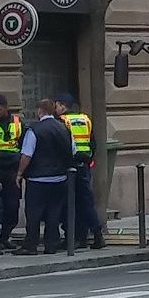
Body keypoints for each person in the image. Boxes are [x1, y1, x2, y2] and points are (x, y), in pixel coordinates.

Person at [16, 98, 73, 254]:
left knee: (34, 213)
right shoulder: (64, 128)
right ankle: (51, 245)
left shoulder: (34, 130)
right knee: (53, 213)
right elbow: (72, 151)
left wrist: (20, 174)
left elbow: (26, 155)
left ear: (40, 111)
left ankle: (31, 245)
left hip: (38, 180)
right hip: (60, 178)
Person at [57, 92, 105, 249]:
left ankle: (76, 237)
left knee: (69, 204)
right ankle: (91, 235)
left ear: (63, 105)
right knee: (85, 202)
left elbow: (62, 146)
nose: (55, 108)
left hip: (69, 168)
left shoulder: (62, 121)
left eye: (57, 105)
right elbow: (93, 143)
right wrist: (89, 160)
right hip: (84, 166)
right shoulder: (85, 119)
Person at [0, 94, 24, 249]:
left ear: (6, 108)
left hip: (12, 170)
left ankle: (5, 236)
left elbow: (23, 143)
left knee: (12, 205)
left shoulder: (17, 122)